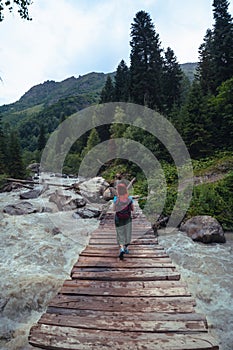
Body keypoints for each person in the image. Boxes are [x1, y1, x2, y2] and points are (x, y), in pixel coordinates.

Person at [113, 183, 134, 260]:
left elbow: (114, 209)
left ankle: (121, 248)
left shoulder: (116, 199)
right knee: (127, 232)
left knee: (120, 232)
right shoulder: (129, 198)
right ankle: (126, 248)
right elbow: (132, 209)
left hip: (118, 217)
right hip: (127, 218)